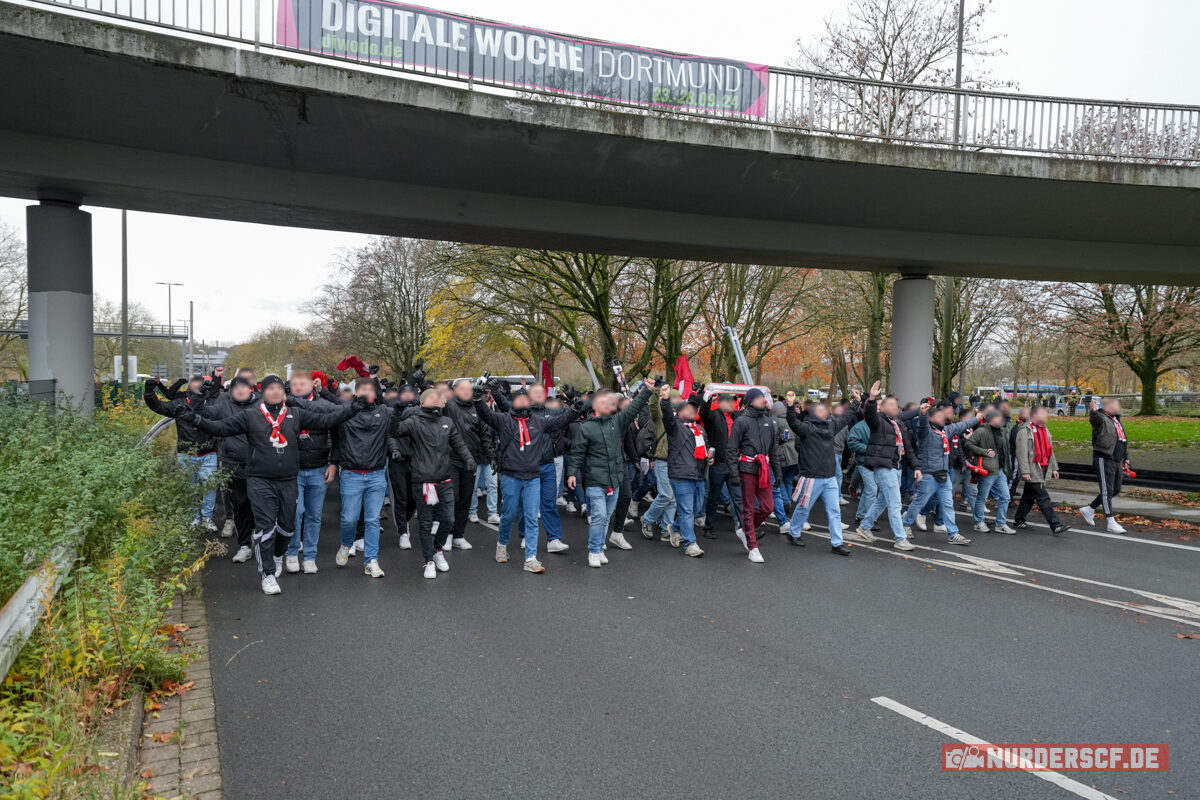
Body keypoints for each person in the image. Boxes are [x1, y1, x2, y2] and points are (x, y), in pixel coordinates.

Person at [179, 375, 364, 594]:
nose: (275, 392)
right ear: (262, 392)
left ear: (284, 393)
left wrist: (352, 409)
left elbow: (327, 421)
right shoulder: (251, 415)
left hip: (288, 480)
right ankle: (267, 574)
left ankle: (277, 556)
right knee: (266, 527)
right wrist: (194, 416)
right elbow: (219, 428)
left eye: (279, 388)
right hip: (259, 480)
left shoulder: (296, 414)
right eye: (270, 388)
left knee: (287, 527)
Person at [476, 380, 576, 572]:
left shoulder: (538, 421)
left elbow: (559, 421)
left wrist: (574, 410)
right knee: (508, 515)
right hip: (511, 476)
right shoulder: (504, 419)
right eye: (518, 399)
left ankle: (531, 558)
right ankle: (502, 544)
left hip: (533, 477)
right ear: (512, 403)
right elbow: (485, 414)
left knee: (531, 517)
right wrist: (477, 398)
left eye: (525, 398)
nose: (523, 401)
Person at [568, 379, 655, 568]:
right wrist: (572, 473)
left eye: (611, 402)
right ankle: (593, 551)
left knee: (606, 516)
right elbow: (577, 453)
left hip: (614, 478)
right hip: (595, 480)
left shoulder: (618, 422)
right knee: (599, 515)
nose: (610, 405)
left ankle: (599, 547)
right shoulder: (587, 427)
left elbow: (633, 408)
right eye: (605, 402)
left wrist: (647, 391)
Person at [389, 388, 475, 579]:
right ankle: (429, 560)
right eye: (439, 398)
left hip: (444, 479)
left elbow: (459, 444)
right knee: (426, 524)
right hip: (423, 481)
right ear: (426, 402)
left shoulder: (447, 422)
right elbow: (394, 431)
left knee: (448, 520)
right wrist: (396, 412)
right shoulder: (414, 421)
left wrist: (468, 458)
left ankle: (438, 551)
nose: (443, 401)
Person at [329, 377, 397, 577]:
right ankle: (346, 544)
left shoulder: (384, 412)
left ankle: (371, 561)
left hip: (376, 474)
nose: (368, 392)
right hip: (351, 474)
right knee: (349, 519)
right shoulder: (345, 413)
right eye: (363, 389)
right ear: (356, 393)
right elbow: (330, 417)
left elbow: (405, 413)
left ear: (376, 394)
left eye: (371, 389)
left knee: (372, 520)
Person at [783, 390, 861, 555]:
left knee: (834, 511)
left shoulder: (831, 426)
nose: (825, 411)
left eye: (824, 410)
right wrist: (790, 405)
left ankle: (837, 543)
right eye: (820, 410)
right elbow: (792, 421)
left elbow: (846, 417)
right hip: (812, 477)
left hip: (830, 477)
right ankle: (793, 533)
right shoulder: (806, 428)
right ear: (812, 414)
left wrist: (856, 403)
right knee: (804, 508)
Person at [144, 374, 220, 530]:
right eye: (196, 384)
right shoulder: (179, 403)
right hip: (186, 454)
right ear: (189, 387)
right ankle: (193, 518)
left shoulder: (212, 404)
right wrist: (149, 393)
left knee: (210, 486)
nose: (199, 387)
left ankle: (207, 518)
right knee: (190, 487)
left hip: (208, 453)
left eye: (202, 385)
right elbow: (159, 406)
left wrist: (217, 381)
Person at [282, 372, 340, 574]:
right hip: (293, 469)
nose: (298, 387)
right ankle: (291, 553)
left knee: (314, 515)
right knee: (294, 513)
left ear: (312, 384)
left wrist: (333, 463)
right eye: (294, 384)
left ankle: (309, 556)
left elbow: (337, 435)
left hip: (318, 467)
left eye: (302, 383)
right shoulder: (284, 406)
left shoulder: (323, 406)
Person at [197, 375, 257, 563]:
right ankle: (245, 545)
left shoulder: (262, 405)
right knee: (240, 506)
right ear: (231, 391)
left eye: (244, 387)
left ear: (251, 389)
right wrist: (201, 394)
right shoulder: (223, 406)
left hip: (259, 466)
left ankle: (262, 541)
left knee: (260, 506)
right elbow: (203, 414)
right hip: (233, 465)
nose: (240, 390)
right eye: (236, 387)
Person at [854, 381, 921, 551]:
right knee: (895, 504)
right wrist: (871, 398)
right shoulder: (878, 422)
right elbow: (869, 415)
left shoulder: (898, 424)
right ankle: (900, 538)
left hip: (896, 468)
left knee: (883, 500)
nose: (895, 407)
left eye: (896, 405)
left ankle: (864, 527)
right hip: (884, 468)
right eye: (890, 404)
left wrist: (916, 467)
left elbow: (908, 448)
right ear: (881, 409)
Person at [902, 401, 980, 545]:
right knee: (920, 502)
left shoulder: (945, 431)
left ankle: (953, 534)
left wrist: (977, 418)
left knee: (948, 504)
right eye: (939, 415)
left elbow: (960, 426)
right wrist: (923, 413)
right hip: (929, 474)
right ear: (931, 419)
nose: (943, 417)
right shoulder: (925, 432)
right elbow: (923, 425)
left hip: (943, 474)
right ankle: (905, 524)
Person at [726, 387, 781, 564]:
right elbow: (731, 449)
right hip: (747, 469)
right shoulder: (741, 421)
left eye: (763, 397)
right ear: (750, 401)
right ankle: (753, 547)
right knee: (748, 508)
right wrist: (734, 473)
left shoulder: (770, 422)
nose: (763, 400)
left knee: (767, 507)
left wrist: (777, 472)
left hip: (764, 470)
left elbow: (774, 450)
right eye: (758, 397)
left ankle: (746, 530)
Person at [442, 378, 494, 550]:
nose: (466, 391)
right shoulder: (448, 406)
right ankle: (447, 535)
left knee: (465, 499)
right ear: (455, 390)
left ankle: (458, 535)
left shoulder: (477, 409)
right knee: (452, 498)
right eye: (462, 388)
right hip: (451, 460)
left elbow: (485, 435)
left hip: (471, 461)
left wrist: (491, 456)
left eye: (469, 389)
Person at [657, 384, 707, 557]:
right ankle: (690, 544)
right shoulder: (675, 426)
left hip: (699, 475)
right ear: (679, 413)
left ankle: (675, 527)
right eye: (688, 408)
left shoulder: (699, 429)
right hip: (680, 474)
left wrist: (710, 457)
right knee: (687, 510)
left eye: (694, 408)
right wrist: (664, 399)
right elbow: (667, 416)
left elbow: (704, 450)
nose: (692, 411)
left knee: (696, 508)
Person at [1013, 405, 1071, 535]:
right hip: (1034, 469)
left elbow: (1049, 451)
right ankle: (1055, 525)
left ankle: (1019, 519)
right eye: (1043, 413)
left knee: (1028, 496)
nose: (1046, 415)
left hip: (1043, 467)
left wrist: (1054, 467)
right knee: (1043, 498)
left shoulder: (1045, 430)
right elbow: (1021, 453)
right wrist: (1025, 471)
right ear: (1034, 415)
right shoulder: (1024, 431)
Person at [1079, 397, 1130, 534]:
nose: (1118, 406)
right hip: (1104, 457)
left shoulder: (1116, 419)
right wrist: (1093, 412)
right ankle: (1110, 522)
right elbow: (1095, 421)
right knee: (1107, 490)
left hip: (1117, 460)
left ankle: (1089, 509)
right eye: (1115, 403)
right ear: (1107, 406)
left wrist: (1126, 458)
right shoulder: (1101, 417)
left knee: (1116, 489)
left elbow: (1122, 439)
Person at [962, 409, 1016, 533]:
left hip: (1000, 470)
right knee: (982, 497)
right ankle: (979, 522)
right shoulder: (981, 431)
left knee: (1005, 497)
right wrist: (984, 452)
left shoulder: (1003, 431)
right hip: (987, 470)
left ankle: (1000, 524)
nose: (1001, 420)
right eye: (998, 418)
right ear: (990, 419)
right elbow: (968, 444)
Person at [699, 392, 742, 539]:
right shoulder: (713, 416)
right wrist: (707, 398)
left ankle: (745, 528)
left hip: (734, 464)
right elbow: (704, 413)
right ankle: (709, 527)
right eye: (729, 401)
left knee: (738, 498)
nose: (732, 404)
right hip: (718, 464)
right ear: (720, 403)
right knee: (713, 497)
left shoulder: (737, 417)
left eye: (733, 401)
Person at [641, 386, 677, 543]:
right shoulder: (659, 418)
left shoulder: (680, 419)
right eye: (675, 398)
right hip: (663, 461)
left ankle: (665, 530)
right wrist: (656, 391)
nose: (677, 400)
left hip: (676, 462)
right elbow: (653, 407)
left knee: (672, 498)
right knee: (666, 495)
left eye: (677, 398)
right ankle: (647, 519)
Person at [771, 400, 799, 535]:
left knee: (779, 480)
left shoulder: (777, 422)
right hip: (795, 455)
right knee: (788, 480)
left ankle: (785, 501)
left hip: (784, 455)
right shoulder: (791, 420)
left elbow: (781, 439)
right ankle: (787, 500)